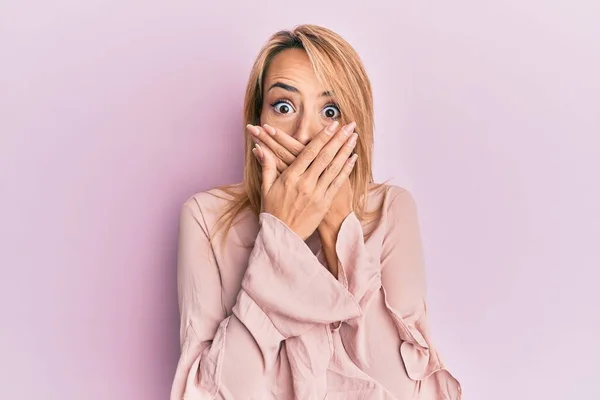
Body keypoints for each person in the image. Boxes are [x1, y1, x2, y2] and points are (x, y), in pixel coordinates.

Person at [170, 24, 461, 400]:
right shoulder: (206, 218)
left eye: (330, 110)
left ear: (356, 125)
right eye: (284, 106)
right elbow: (209, 393)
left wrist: (339, 228)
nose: (305, 132)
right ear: (258, 120)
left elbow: (408, 391)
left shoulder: (390, 210)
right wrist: (281, 240)